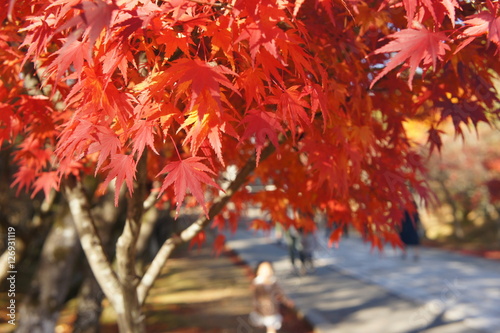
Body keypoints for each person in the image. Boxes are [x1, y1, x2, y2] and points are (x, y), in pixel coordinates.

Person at [249, 261, 285, 333]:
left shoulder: (273, 282)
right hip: (261, 309)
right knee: (262, 324)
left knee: (271, 327)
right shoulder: (257, 283)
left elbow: (280, 292)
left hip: (272, 309)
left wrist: (285, 300)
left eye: (268, 269)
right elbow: (254, 295)